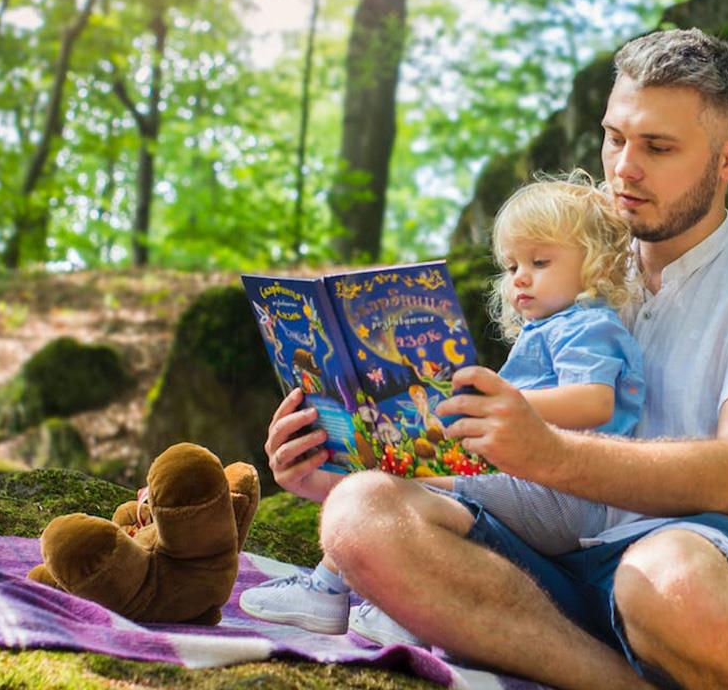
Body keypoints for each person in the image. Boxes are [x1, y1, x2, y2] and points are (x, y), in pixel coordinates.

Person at [266, 28, 728, 689]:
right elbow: (498, 467)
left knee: (664, 575)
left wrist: (545, 451)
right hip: (547, 564)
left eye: (658, 146)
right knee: (360, 511)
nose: (624, 166)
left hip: (699, 566)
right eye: (616, 137)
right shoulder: (568, 266)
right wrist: (336, 462)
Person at [241, 173, 646, 637]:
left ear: (597, 264)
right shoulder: (551, 329)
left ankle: (344, 595)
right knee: (393, 483)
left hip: (562, 496)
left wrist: (502, 404)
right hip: (530, 484)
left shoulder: (589, 325)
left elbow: (594, 401)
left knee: (408, 488)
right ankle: (367, 596)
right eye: (511, 266)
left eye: (540, 260)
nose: (521, 278)